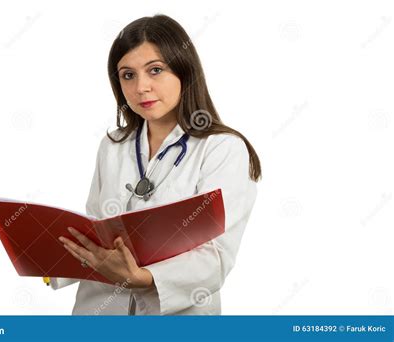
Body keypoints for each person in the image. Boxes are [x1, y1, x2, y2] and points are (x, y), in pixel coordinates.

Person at [50, 14, 262, 315]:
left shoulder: (222, 149)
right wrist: (45, 258)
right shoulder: (113, 145)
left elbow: (215, 257)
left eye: (155, 70)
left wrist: (143, 279)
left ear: (184, 71)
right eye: (128, 75)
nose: (141, 87)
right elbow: (97, 234)